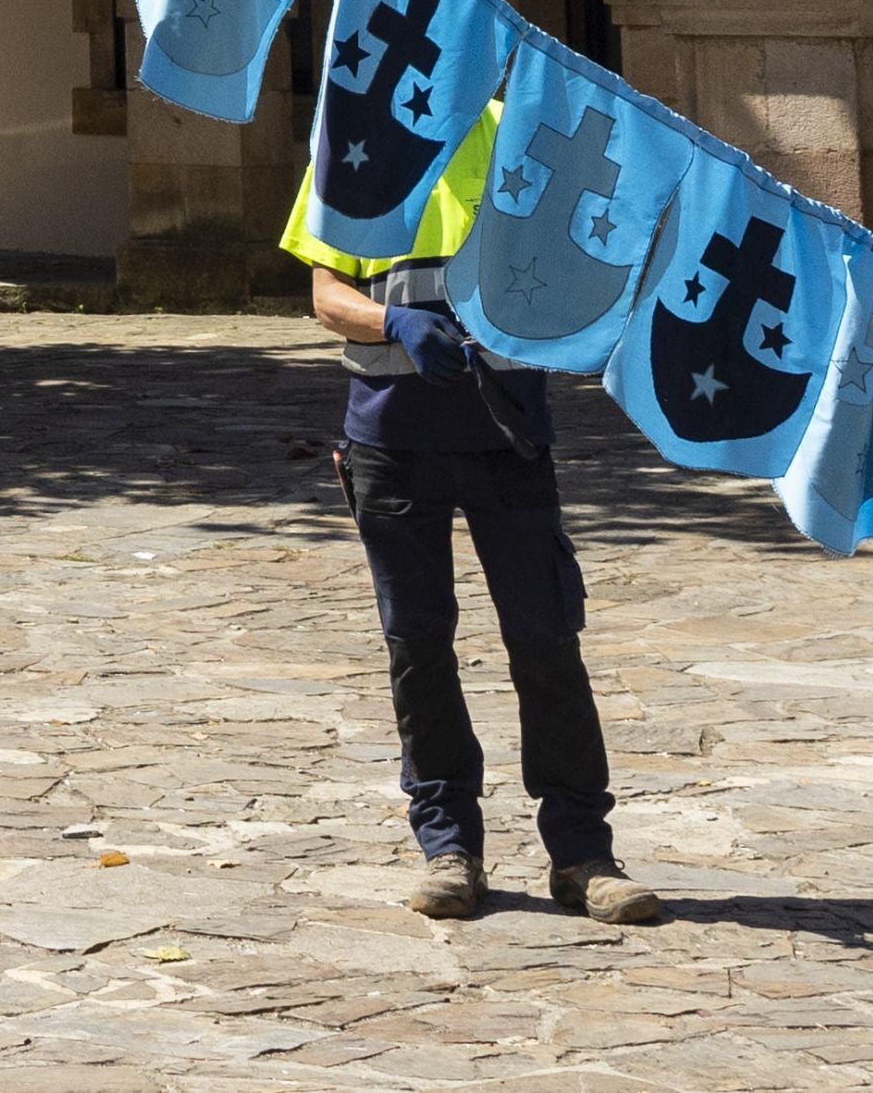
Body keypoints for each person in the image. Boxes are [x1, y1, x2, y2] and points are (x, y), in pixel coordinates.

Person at [280, 102, 661, 925]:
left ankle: (583, 855)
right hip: (391, 440)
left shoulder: (528, 131)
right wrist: (393, 321)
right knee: (419, 648)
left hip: (506, 435)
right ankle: (449, 847)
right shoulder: (359, 140)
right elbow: (324, 291)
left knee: (546, 642)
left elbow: (584, 267)